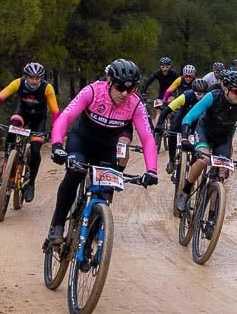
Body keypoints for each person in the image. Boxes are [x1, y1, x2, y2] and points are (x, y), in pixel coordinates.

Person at [46, 59, 158, 244]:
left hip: (108, 149)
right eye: (120, 87)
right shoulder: (92, 91)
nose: (124, 93)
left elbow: (147, 139)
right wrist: (57, 145)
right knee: (74, 174)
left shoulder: (135, 104)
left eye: (130, 89)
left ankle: (89, 243)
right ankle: (57, 225)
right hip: (81, 141)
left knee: (106, 190)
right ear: (109, 81)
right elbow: (65, 117)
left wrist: (152, 170)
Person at [175, 68, 237, 214]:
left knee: (221, 173)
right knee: (203, 160)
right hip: (204, 132)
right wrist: (184, 137)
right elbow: (189, 117)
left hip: (224, 138)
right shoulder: (212, 97)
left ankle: (213, 214)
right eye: (235, 91)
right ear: (225, 89)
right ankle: (185, 192)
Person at [0, 62, 60, 203]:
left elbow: (55, 112)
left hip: (39, 120)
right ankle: (7, 161)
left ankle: (31, 184)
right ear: (26, 77)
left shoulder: (47, 88)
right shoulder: (18, 83)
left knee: (36, 151)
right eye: (31, 77)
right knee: (12, 127)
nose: (34, 81)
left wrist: (54, 131)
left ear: (41, 78)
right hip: (22, 114)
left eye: (38, 78)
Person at [156, 77, 211, 176]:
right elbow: (167, 110)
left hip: (198, 121)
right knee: (172, 132)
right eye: (198, 93)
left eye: (203, 94)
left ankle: (194, 161)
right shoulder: (186, 96)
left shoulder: (208, 99)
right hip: (182, 117)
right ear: (193, 91)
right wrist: (159, 124)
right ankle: (172, 160)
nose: (200, 97)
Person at [139, 57, 180, 129]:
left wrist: (179, 94)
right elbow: (147, 82)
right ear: (160, 66)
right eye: (163, 66)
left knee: (172, 108)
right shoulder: (157, 73)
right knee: (158, 112)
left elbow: (180, 83)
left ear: (170, 66)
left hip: (171, 94)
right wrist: (143, 93)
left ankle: (172, 124)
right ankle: (156, 130)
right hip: (161, 95)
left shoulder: (174, 73)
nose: (165, 68)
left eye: (167, 66)